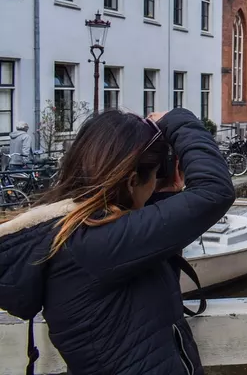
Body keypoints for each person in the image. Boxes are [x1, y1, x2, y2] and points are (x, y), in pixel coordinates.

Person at [0, 108, 235, 375]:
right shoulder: (95, 244)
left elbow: (151, 276)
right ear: (133, 181)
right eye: (154, 175)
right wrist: (177, 120)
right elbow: (215, 191)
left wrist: (165, 195)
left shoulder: (80, 232)